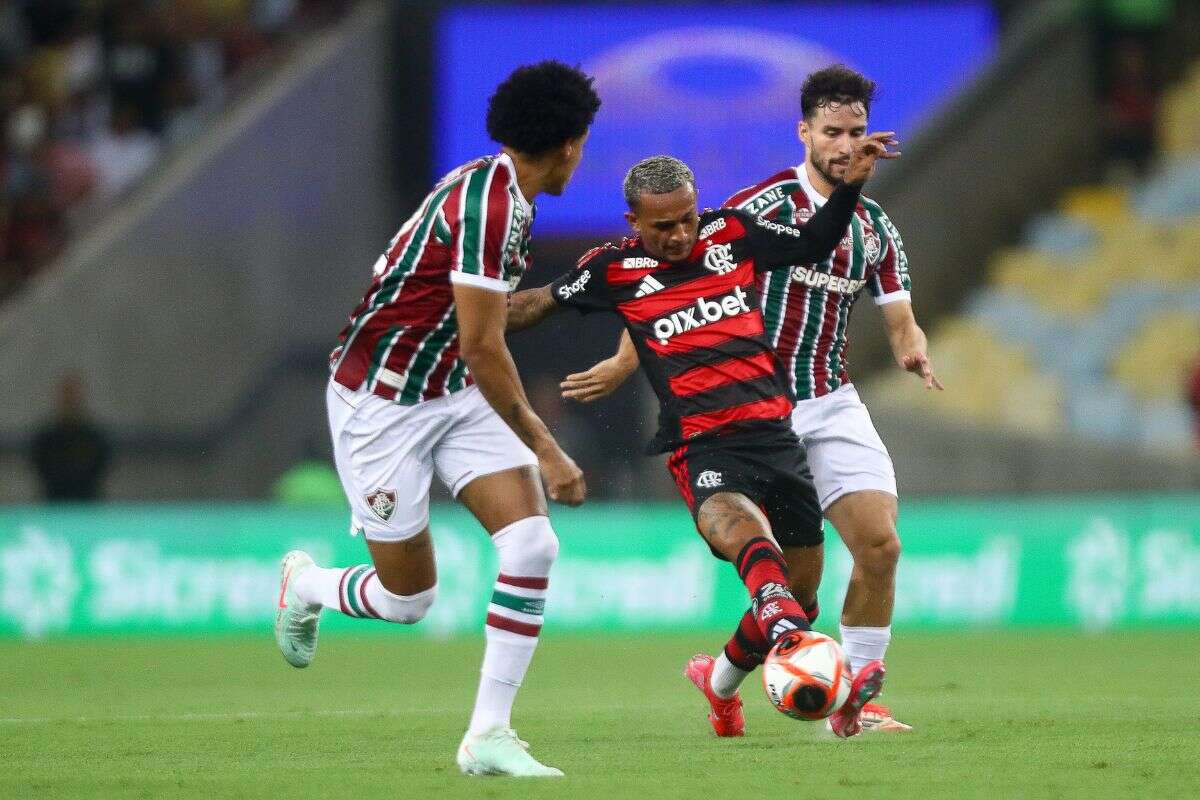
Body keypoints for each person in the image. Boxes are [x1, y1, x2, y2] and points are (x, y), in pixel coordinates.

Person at [559, 66, 940, 735]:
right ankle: (724, 680)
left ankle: (857, 704)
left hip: (831, 397)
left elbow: (898, 307)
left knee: (879, 547)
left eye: (856, 132)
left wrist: (911, 345)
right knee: (794, 593)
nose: (846, 145)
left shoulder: (873, 225)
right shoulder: (756, 209)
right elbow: (671, 278)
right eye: (832, 133)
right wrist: (625, 360)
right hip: (754, 410)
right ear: (805, 133)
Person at [273, 61, 600, 778]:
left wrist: (583, 289)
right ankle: (307, 585)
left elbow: (477, 324)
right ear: (571, 143)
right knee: (408, 599)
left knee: (532, 547)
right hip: (381, 405)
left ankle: (488, 735)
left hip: (451, 391)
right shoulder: (492, 208)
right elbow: (486, 347)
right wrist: (547, 449)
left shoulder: (501, 189)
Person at [31, 373, 111, 501]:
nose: (70, 400)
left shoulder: (94, 439)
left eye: (73, 395)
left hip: (87, 504)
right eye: (66, 395)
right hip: (54, 504)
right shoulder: (45, 440)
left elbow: (99, 466)